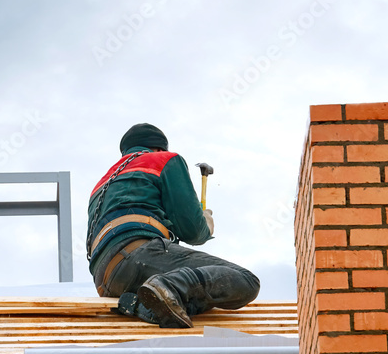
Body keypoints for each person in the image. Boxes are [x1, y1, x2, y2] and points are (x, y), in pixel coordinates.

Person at [87, 123, 260, 328]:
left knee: (176, 299)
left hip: (105, 280)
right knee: (246, 281)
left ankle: (140, 305)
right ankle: (166, 286)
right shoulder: (163, 160)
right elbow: (193, 231)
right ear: (159, 147)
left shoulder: (101, 185)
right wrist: (205, 222)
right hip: (138, 255)